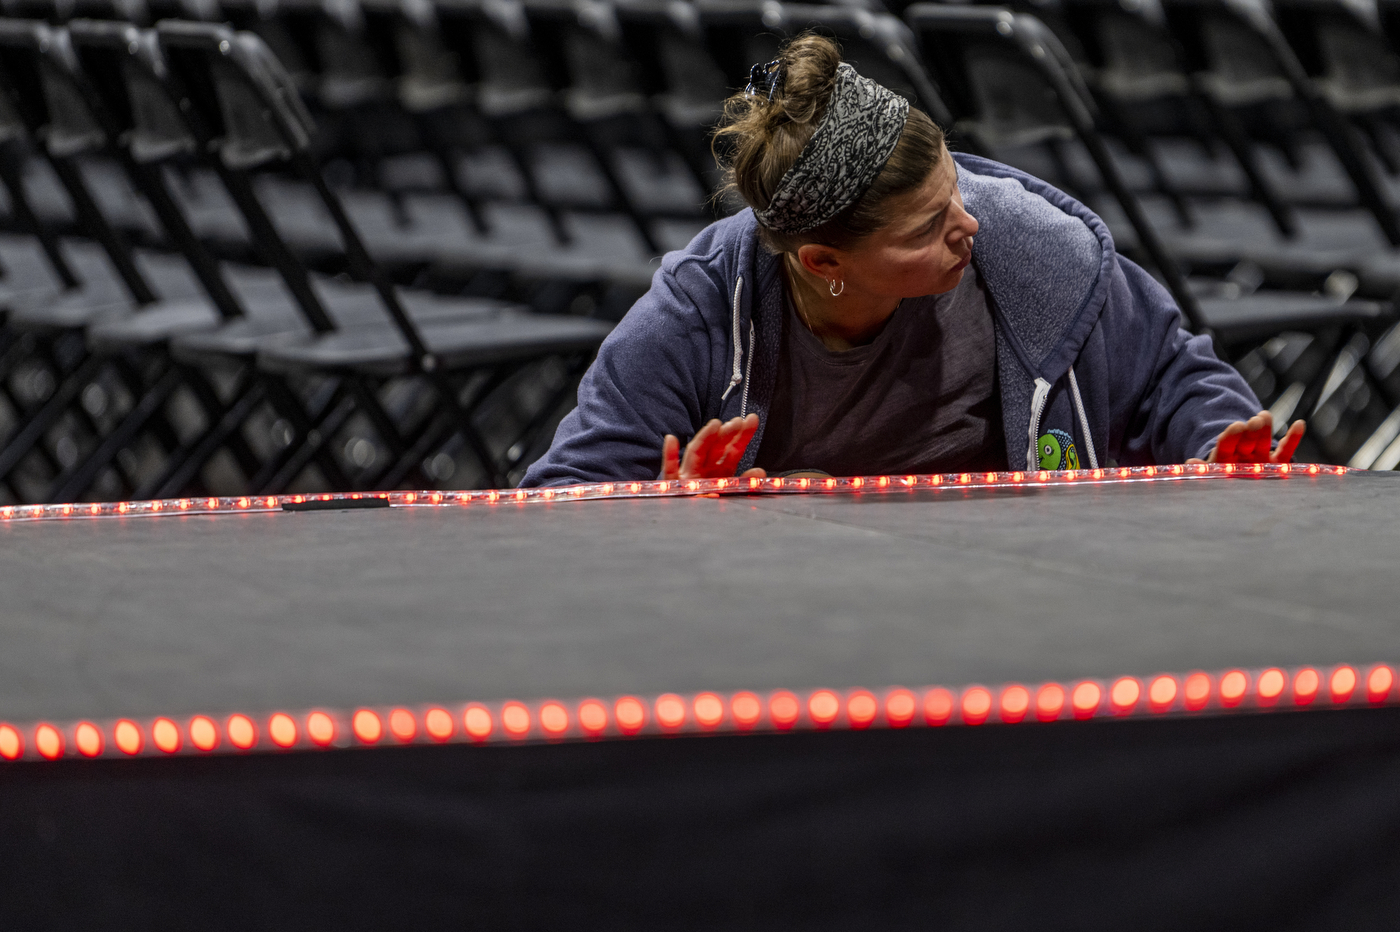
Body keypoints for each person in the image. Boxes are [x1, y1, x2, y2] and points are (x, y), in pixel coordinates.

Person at [521, 35, 1303, 488]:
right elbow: (560, 496)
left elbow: (1172, 373)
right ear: (826, 260)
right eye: (929, 227)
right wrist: (658, 514)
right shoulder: (700, 311)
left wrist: (1219, 441)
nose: (968, 225)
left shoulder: (1034, 254)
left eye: (956, 191)